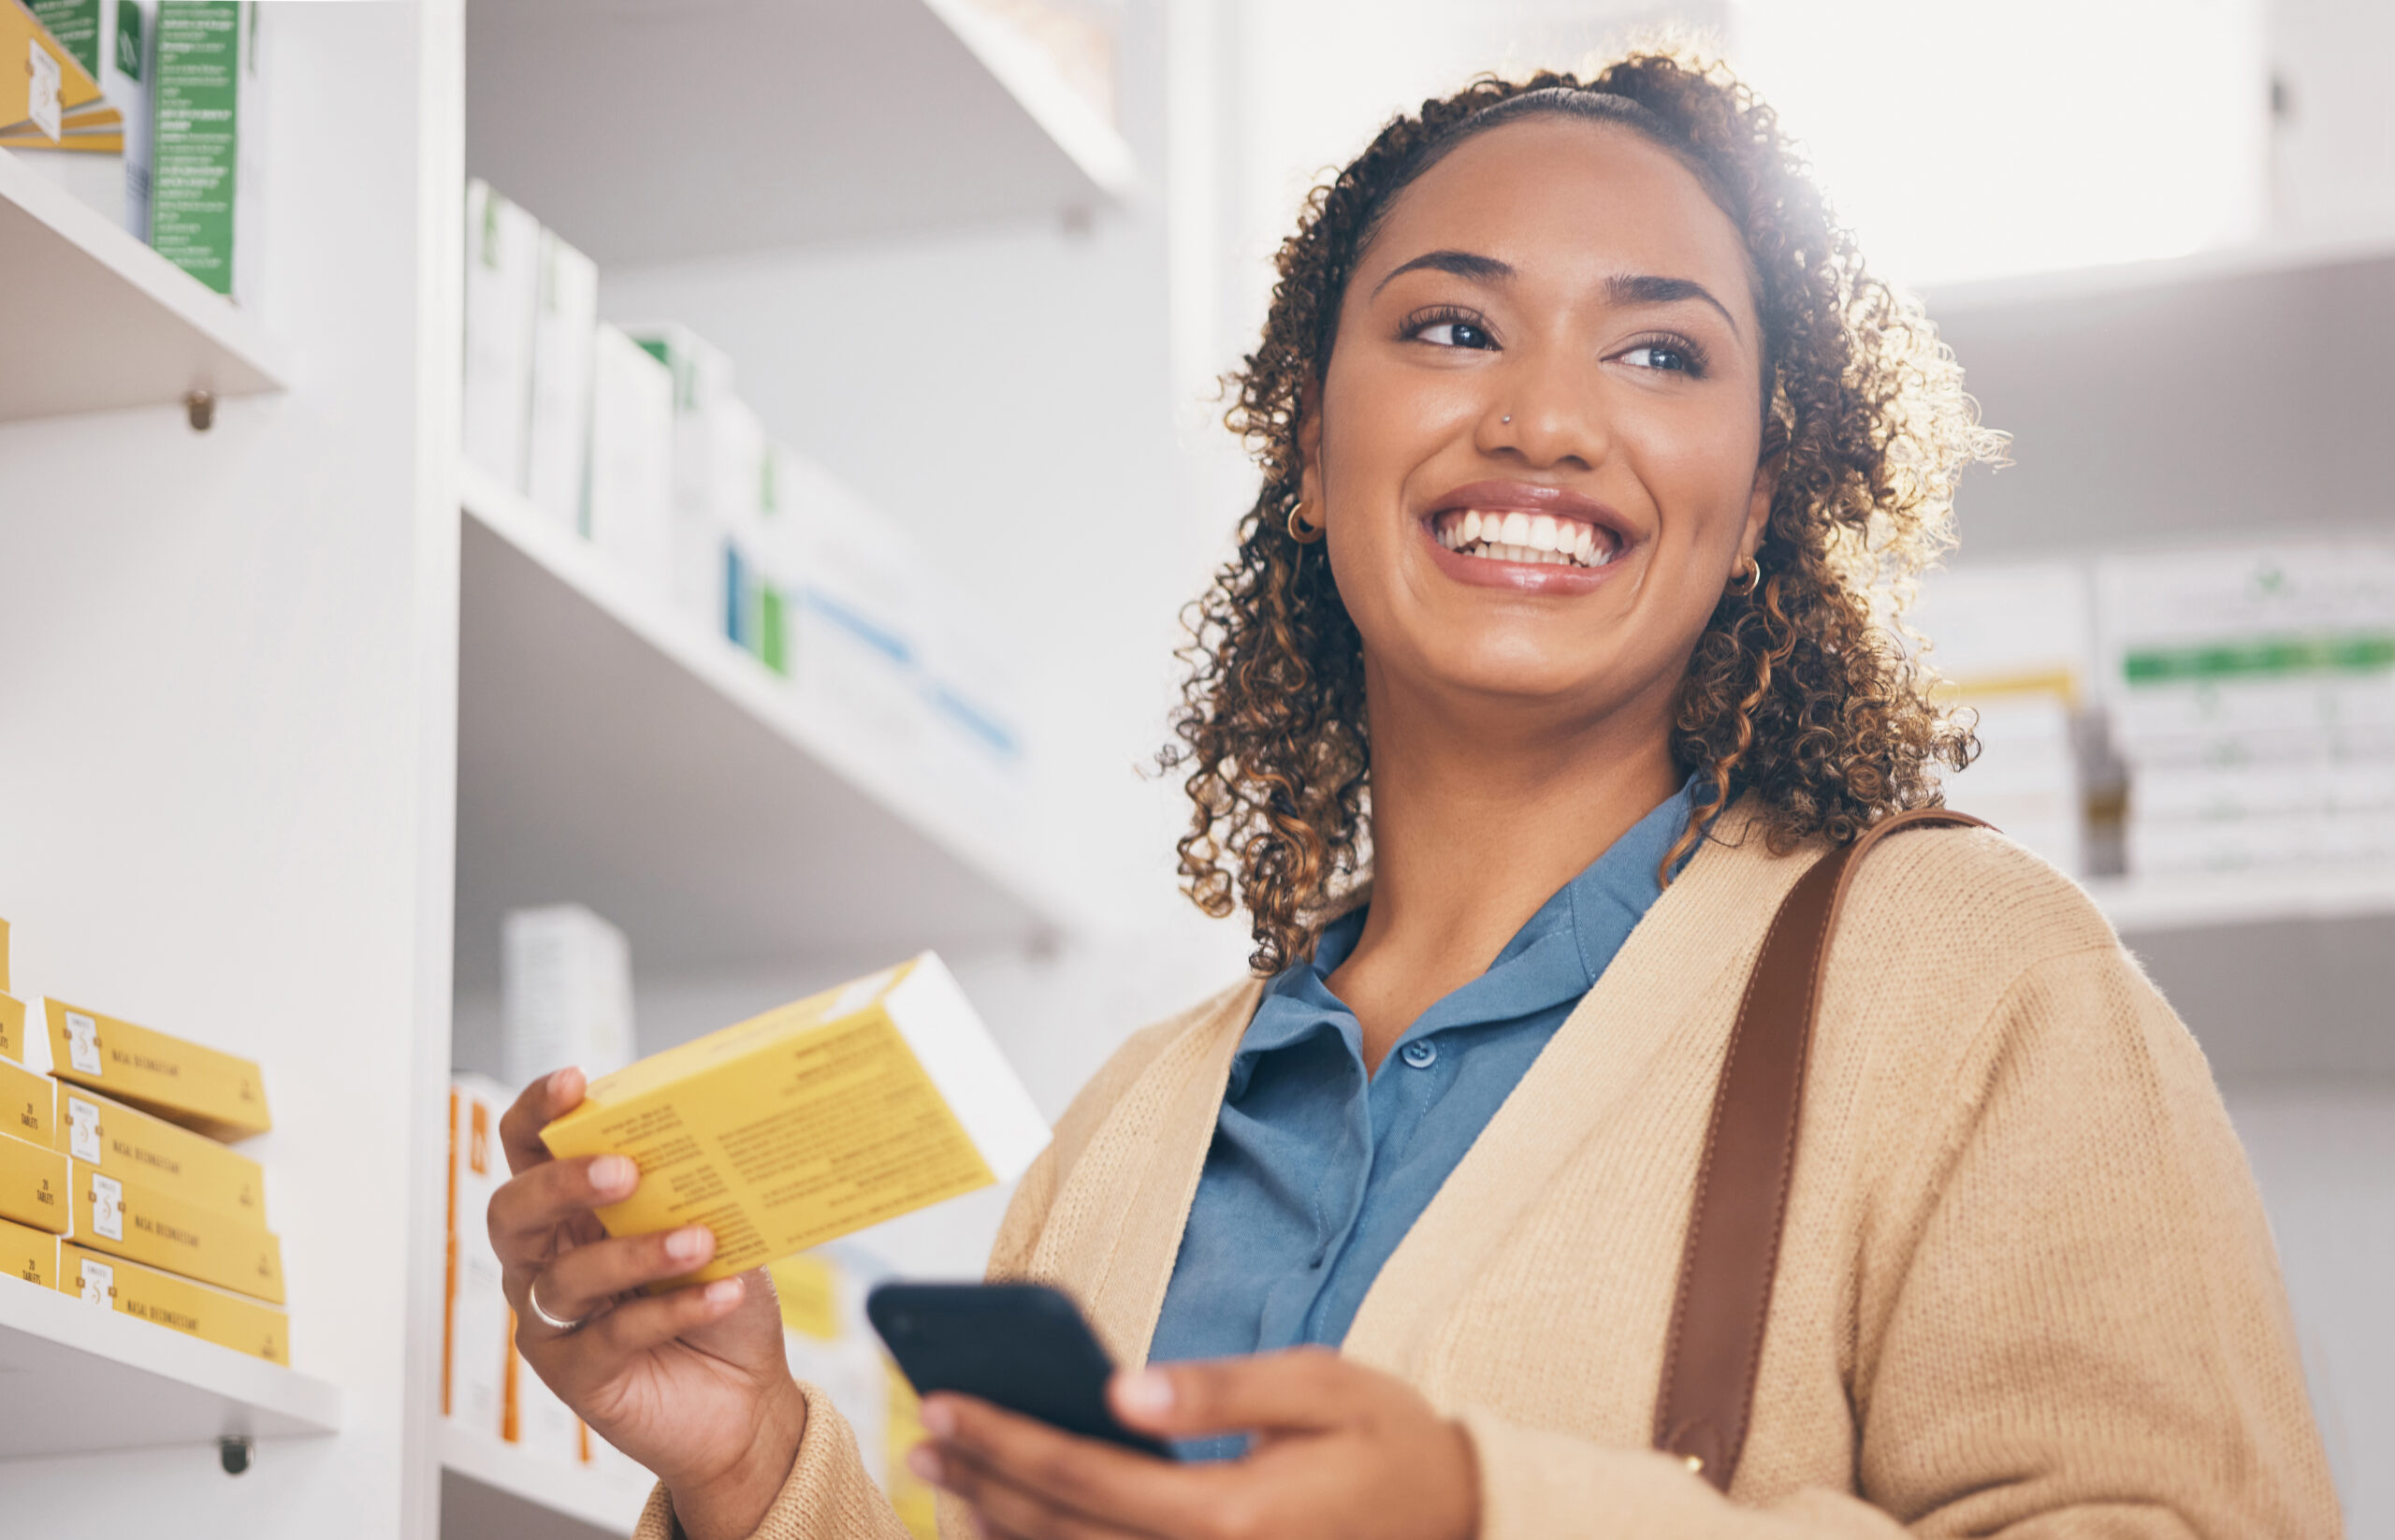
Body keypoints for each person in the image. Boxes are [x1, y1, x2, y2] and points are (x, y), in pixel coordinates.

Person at [486, 51, 2340, 1540]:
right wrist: (753, 1470)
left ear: (1760, 496)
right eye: (1452, 328)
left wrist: (1476, 1510)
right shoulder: (1141, 1124)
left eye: (1657, 349)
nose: (1538, 417)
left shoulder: (1964, 977)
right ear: (1310, 447)